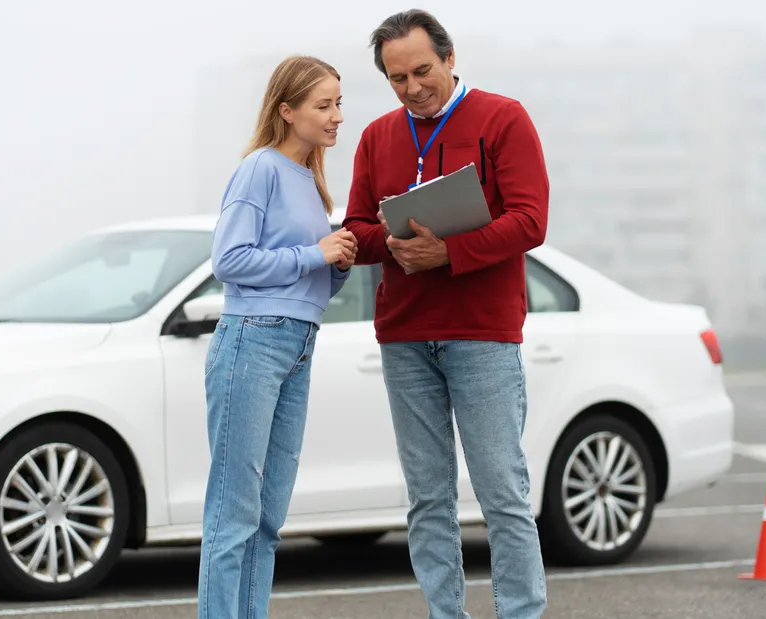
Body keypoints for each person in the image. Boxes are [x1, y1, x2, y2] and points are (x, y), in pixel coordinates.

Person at [342, 9, 550, 619]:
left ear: (451, 57)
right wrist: (396, 245)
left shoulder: (503, 118)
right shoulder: (377, 136)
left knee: (502, 494)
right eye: (397, 77)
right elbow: (357, 226)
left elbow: (530, 220)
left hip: (482, 334)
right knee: (427, 499)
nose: (413, 88)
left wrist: (449, 252)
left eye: (423, 71)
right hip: (404, 337)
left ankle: (521, 612)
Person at [198, 55, 357, 619]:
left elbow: (307, 287)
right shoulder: (260, 168)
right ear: (287, 111)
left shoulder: (314, 185)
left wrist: (336, 263)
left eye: (340, 102)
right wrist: (313, 253)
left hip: (298, 343)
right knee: (233, 511)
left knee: (268, 517)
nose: (337, 115)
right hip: (252, 341)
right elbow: (229, 260)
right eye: (324, 105)